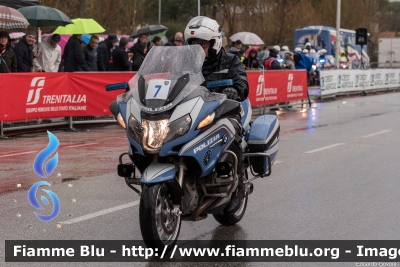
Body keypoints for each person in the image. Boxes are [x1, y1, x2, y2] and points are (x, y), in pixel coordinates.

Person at [184, 16, 249, 215]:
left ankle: (238, 186)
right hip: (194, 112)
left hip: (223, 111)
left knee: (232, 131)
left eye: (202, 44)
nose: (198, 48)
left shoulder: (230, 60)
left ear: (214, 43)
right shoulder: (186, 63)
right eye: (194, 44)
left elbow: (242, 84)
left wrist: (235, 90)